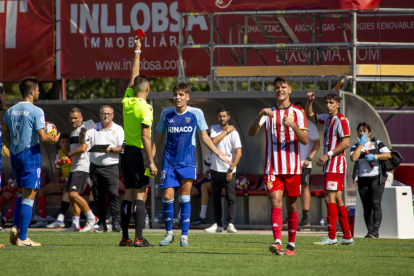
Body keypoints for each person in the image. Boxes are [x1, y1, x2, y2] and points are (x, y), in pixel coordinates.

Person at [152, 82, 232, 247]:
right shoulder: (166, 114)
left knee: (184, 197)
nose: (178, 97)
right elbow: (158, 137)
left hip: (187, 163)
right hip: (169, 162)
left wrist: (218, 153)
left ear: (187, 97)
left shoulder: (196, 113)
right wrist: (150, 159)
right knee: (167, 197)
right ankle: (168, 234)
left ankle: (184, 237)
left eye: (181, 95)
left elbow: (204, 137)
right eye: (175, 94)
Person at [248, 76, 308, 256]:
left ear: (290, 90)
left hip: (293, 169)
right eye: (277, 87)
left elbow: (305, 140)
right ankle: (277, 242)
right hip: (272, 168)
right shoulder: (268, 112)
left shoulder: (298, 113)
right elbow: (250, 133)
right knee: (275, 202)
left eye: (283, 87)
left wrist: (292, 126)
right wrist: (260, 114)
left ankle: (291, 244)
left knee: (292, 206)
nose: (279, 90)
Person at [2, 76, 60, 246]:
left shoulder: (10, 111)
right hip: (30, 155)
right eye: (38, 90)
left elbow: (5, 135)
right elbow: (43, 136)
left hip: (15, 155)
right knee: (30, 196)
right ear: (32, 91)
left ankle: (15, 227)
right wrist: (55, 139)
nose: (39, 92)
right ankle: (22, 238)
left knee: (22, 192)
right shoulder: (37, 111)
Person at [119, 36, 157, 247]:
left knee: (129, 195)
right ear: (148, 90)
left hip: (124, 153)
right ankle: (139, 238)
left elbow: (134, 76)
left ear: (133, 89)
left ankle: (125, 237)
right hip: (138, 154)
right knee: (141, 194)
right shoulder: (146, 108)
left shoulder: (127, 101)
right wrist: (151, 161)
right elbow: (145, 136)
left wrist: (137, 50)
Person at [305, 92, 354, 246]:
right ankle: (347, 236)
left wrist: (328, 155)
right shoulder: (327, 118)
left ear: (337, 104)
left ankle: (332, 236)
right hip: (331, 165)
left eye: (331, 102)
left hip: (335, 164)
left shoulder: (341, 120)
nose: (328, 105)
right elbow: (310, 115)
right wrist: (309, 101)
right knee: (338, 199)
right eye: (326, 102)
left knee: (329, 198)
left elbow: (346, 142)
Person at [350, 122, 391, 238]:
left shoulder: (376, 143)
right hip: (362, 179)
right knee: (366, 206)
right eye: (359, 131)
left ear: (369, 133)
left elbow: (388, 155)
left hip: (376, 177)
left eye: (364, 131)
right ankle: (369, 231)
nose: (362, 133)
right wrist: (361, 145)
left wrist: (375, 156)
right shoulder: (355, 146)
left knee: (376, 203)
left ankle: (375, 231)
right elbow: (353, 157)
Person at [87, 105, 124, 233]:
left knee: (114, 195)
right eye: (103, 113)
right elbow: (84, 143)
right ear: (99, 115)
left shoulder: (118, 129)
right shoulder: (92, 127)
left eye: (108, 114)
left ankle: (117, 224)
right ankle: (102, 223)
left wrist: (110, 149)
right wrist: (82, 133)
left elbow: (122, 148)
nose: (106, 116)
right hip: (95, 167)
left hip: (111, 166)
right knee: (98, 196)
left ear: (112, 115)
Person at [205, 108, 242, 234]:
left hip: (228, 170)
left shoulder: (235, 133)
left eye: (224, 116)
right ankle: (218, 225)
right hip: (215, 169)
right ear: (217, 117)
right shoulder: (214, 128)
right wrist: (226, 131)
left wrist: (231, 169)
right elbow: (213, 142)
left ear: (228, 117)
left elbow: (239, 153)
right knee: (215, 198)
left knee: (230, 197)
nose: (222, 118)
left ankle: (230, 224)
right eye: (220, 116)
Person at [60, 108, 97, 232]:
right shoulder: (73, 132)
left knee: (73, 194)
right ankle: (75, 224)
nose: (73, 120)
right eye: (71, 118)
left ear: (82, 118)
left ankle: (91, 217)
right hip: (75, 167)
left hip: (82, 167)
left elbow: (83, 147)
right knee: (71, 197)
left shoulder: (84, 130)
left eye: (75, 118)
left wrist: (68, 155)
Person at [29, 134, 72, 228]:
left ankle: (61, 219)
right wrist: (57, 184)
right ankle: (43, 219)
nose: (65, 144)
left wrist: (63, 184)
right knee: (41, 191)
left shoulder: (73, 153)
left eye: (67, 141)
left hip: (73, 180)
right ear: (60, 143)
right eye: (63, 142)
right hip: (62, 181)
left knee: (67, 191)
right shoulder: (59, 153)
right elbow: (56, 171)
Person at [294, 102, 320, 226]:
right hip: (290, 164)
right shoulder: (289, 125)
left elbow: (316, 144)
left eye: (300, 110)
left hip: (304, 163)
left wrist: (309, 158)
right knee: (290, 190)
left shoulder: (309, 125)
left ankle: (305, 218)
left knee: (305, 188)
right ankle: (291, 215)